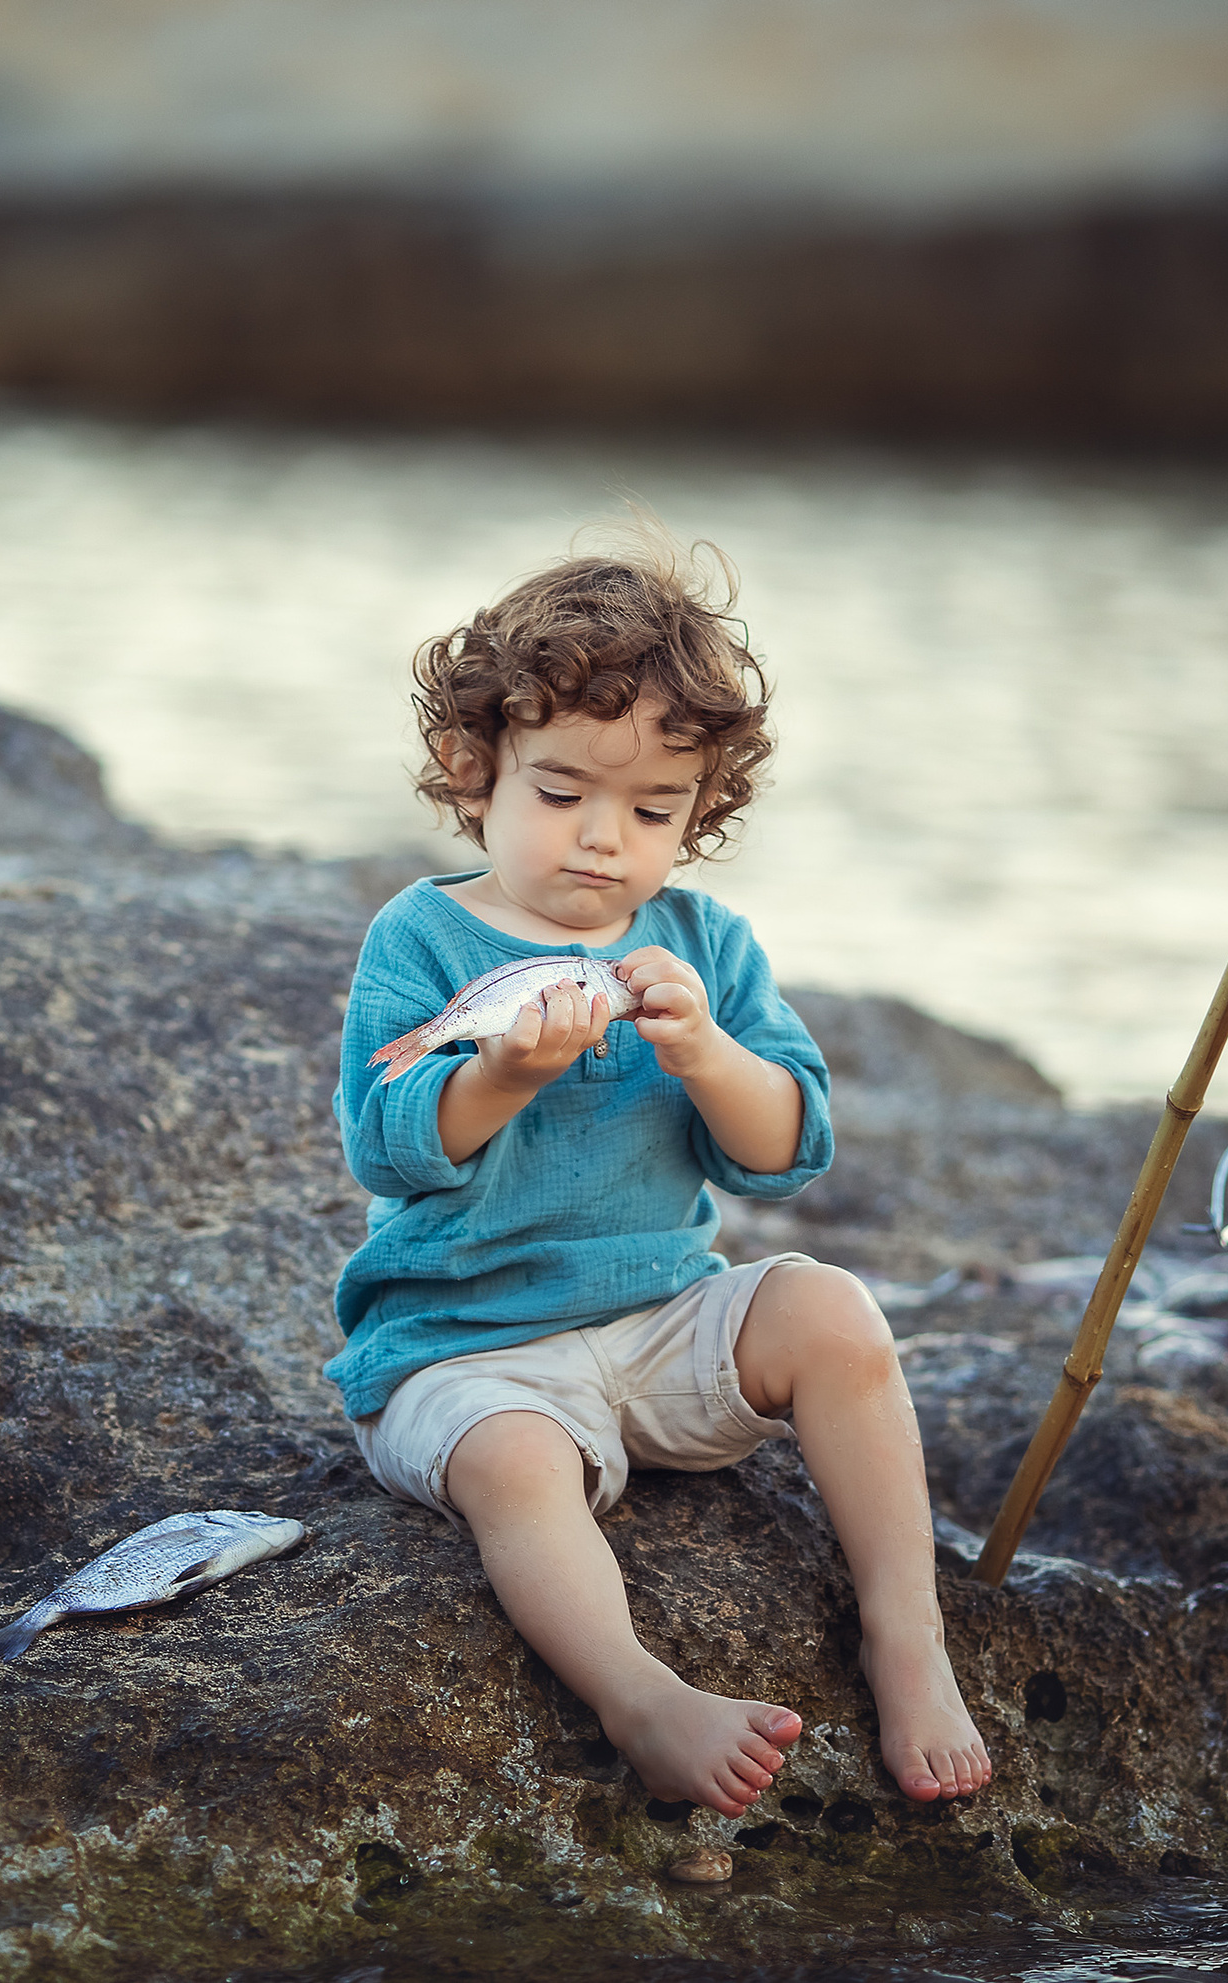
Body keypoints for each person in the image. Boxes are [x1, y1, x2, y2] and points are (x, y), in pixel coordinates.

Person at [328, 537, 989, 1819]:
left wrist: (706, 1051)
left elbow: (785, 1148)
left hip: (659, 1316)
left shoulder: (705, 942)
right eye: (563, 792)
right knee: (516, 1461)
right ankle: (642, 1698)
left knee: (834, 1313)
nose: (602, 842)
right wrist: (502, 1077)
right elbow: (389, 1141)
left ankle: (906, 1637)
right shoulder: (418, 934)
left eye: (651, 812)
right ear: (476, 773)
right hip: (464, 1351)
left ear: (700, 813)